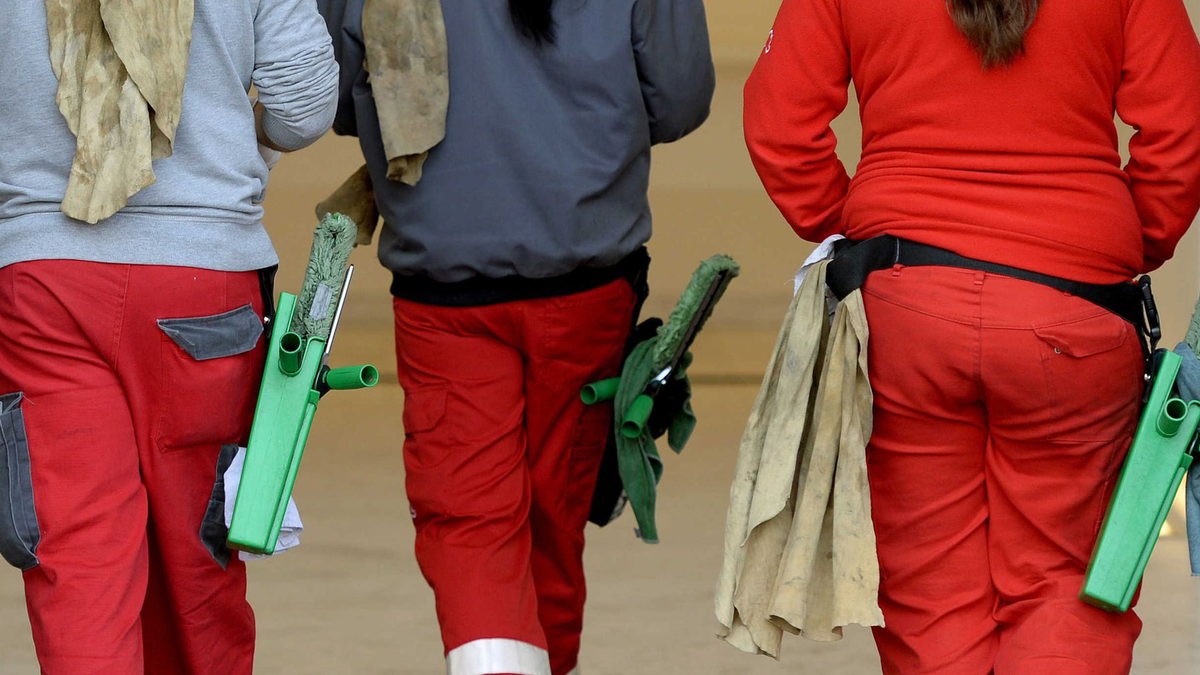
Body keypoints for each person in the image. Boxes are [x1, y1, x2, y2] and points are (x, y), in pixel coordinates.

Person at [744, 0, 1200, 673]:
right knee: (1069, 581)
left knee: (929, 590)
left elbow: (781, 127)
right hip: (1075, 311)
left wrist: (872, 232)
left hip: (906, 308)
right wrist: (1124, 242)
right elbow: (1182, 130)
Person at [319, 1, 714, 673]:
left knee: (471, 522)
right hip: (586, 281)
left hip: (445, 289)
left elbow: (334, 95)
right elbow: (678, 99)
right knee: (553, 522)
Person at [0, 1, 337, 673]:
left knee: (79, 566)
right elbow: (303, 104)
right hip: (201, 280)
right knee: (197, 563)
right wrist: (244, 145)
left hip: (45, 278)